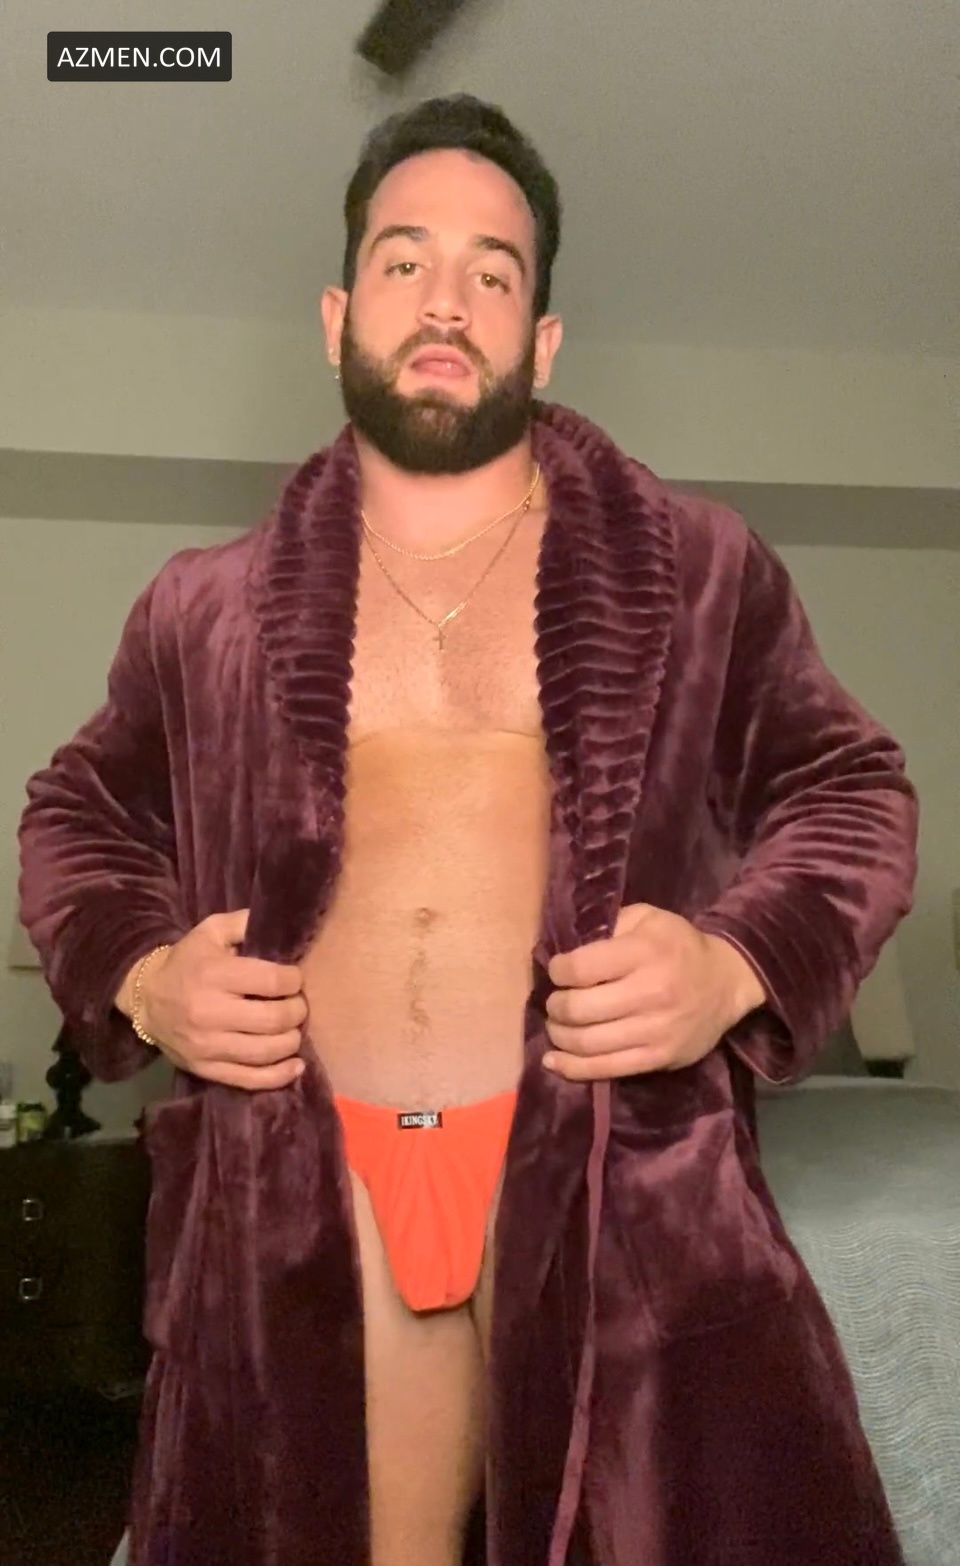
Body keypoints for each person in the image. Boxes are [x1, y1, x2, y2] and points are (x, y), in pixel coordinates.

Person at [18, 96, 918, 1566]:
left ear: (541, 342)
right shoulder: (203, 604)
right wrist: (145, 972)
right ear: (338, 316)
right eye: (405, 260)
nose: (447, 299)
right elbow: (78, 815)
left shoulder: (699, 569)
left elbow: (851, 788)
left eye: (493, 273)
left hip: (609, 1172)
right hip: (312, 1182)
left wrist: (734, 963)